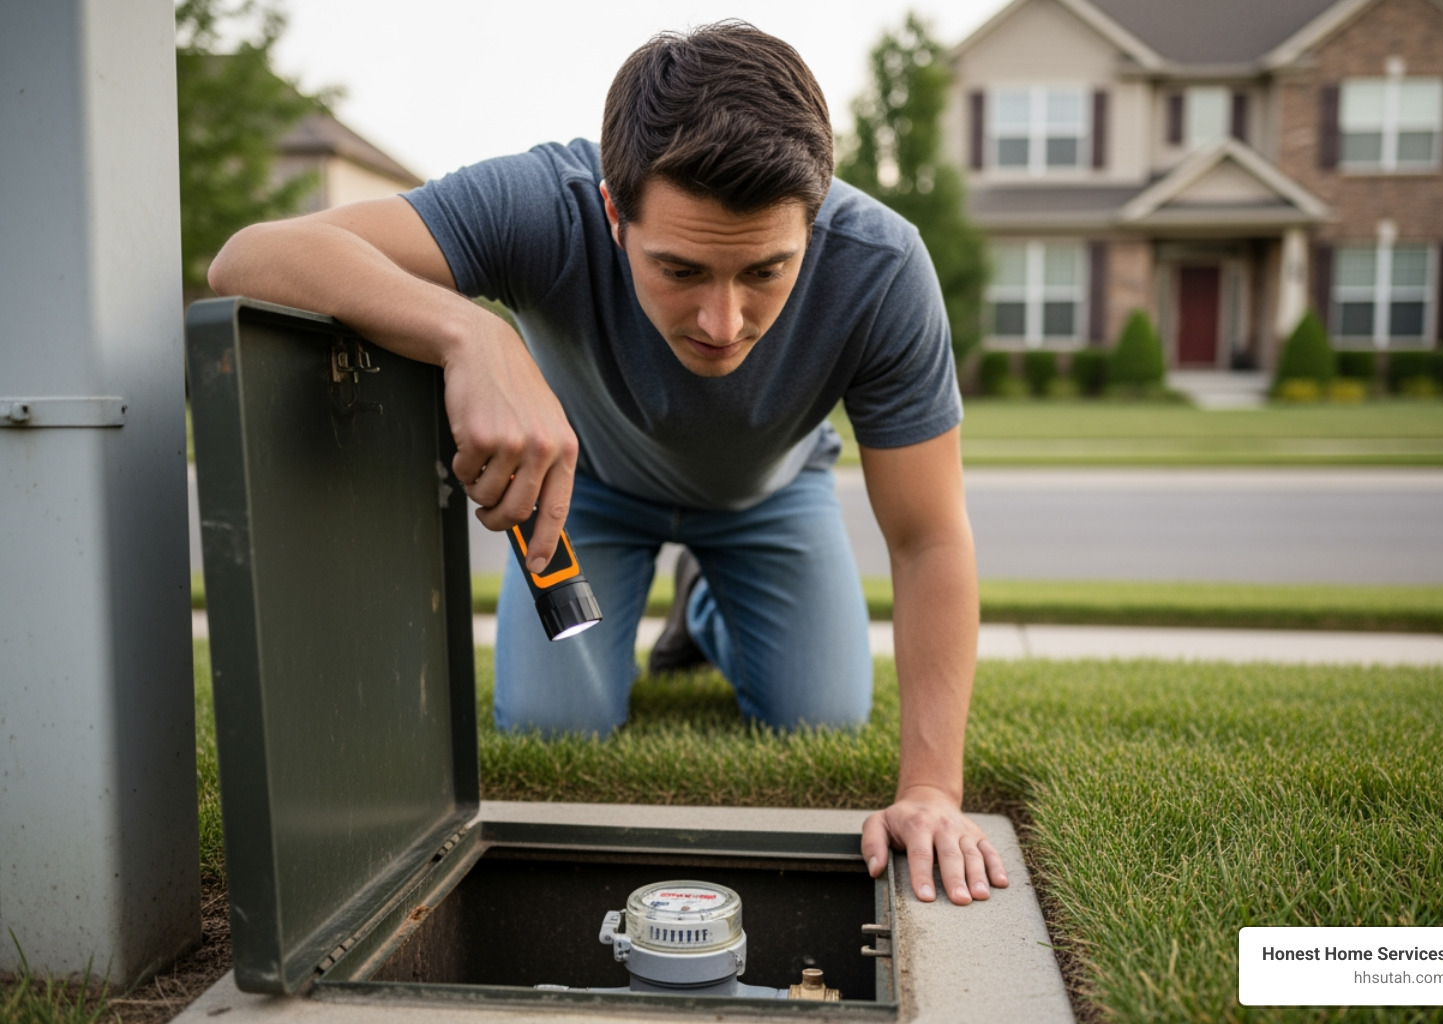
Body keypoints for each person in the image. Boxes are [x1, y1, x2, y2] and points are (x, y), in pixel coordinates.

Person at [208, 21, 1007, 907]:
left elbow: (930, 537)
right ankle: (673, 597)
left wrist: (932, 790)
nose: (722, 321)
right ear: (611, 210)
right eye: (681, 269)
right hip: (585, 497)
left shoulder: (884, 266)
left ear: (814, 226)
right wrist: (471, 328)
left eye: (766, 272)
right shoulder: (539, 203)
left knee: (815, 715)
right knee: (558, 729)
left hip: (771, 496)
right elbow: (251, 256)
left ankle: (703, 610)